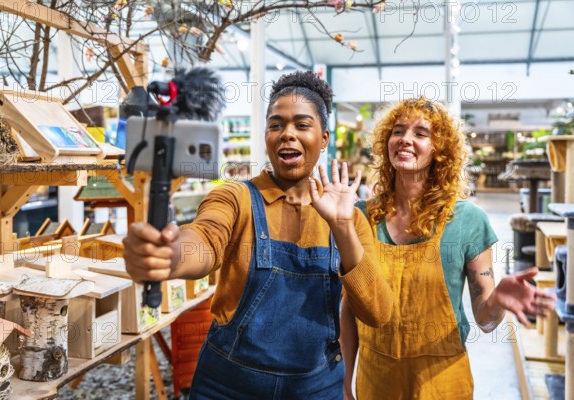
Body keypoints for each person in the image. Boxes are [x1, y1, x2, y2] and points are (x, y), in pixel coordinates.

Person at [123, 70, 393, 400]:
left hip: (315, 387)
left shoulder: (349, 218)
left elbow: (378, 312)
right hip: (228, 385)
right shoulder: (236, 198)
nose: (287, 134)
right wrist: (171, 253)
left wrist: (342, 228)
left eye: (302, 125)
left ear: (324, 137)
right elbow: (205, 239)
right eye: (276, 125)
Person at [340, 97, 556, 400]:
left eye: (420, 133)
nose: (405, 140)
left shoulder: (467, 220)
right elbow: (350, 307)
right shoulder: (362, 216)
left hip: (442, 383)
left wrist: (499, 300)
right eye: (398, 131)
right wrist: (345, 383)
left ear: (440, 149)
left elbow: (485, 319)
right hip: (376, 380)